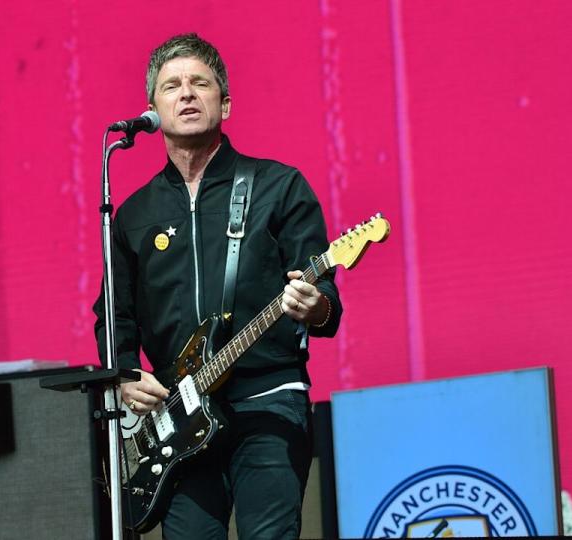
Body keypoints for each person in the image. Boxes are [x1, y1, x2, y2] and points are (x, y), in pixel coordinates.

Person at [93, 33, 342, 540]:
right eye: (172, 86)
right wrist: (121, 375)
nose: (186, 94)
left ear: (224, 103)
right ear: (153, 110)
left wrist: (314, 306)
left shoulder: (279, 186)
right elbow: (113, 313)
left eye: (199, 84)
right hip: (177, 422)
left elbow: (326, 303)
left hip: (267, 400)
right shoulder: (134, 215)